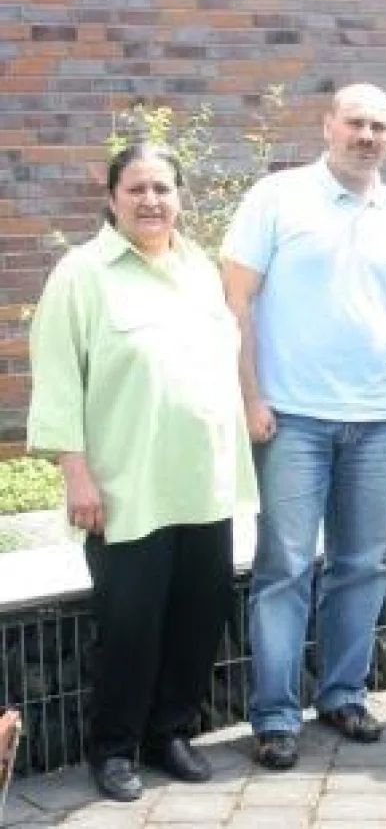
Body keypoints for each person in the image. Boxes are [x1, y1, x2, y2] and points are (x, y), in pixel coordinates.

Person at [221, 83, 386, 770]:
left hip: (374, 422)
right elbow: (235, 302)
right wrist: (251, 398)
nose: (368, 135)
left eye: (381, 126)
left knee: (360, 565)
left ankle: (344, 693)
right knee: (285, 567)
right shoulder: (277, 198)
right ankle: (276, 714)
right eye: (356, 122)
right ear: (328, 126)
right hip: (291, 418)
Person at [27, 144, 256, 801]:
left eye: (163, 188)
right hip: (126, 485)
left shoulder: (197, 270)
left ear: (180, 197)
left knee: (198, 613)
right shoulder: (82, 274)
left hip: (202, 480)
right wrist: (77, 475)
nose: (151, 201)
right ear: (112, 198)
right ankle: (115, 747)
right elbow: (60, 382)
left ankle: (171, 733)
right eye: (137, 189)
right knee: (131, 622)